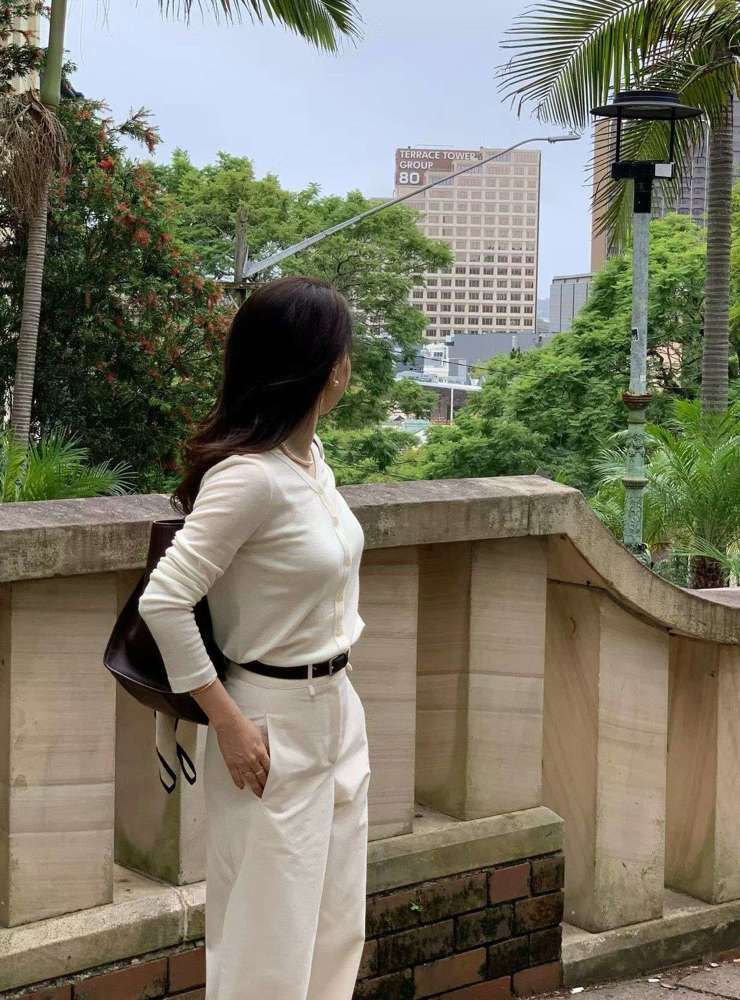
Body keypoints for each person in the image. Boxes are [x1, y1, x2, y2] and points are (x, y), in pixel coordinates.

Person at [137, 275, 371, 1000]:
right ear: (322, 367)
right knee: (267, 944)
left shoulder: (313, 461)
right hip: (268, 724)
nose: (349, 365)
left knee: (336, 927)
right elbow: (165, 601)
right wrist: (228, 723)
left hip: (338, 712)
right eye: (342, 351)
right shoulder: (249, 479)